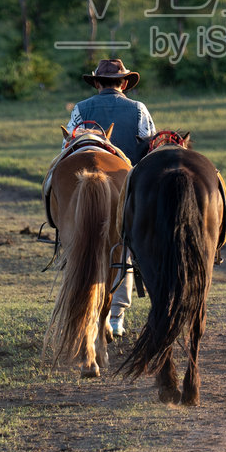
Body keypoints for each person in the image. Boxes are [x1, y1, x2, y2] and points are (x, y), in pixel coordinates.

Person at [57, 58, 156, 337]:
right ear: (124, 83)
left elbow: (68, 147)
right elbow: (150, 149)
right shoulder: (138, 109)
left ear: (97, 83)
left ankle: (56, 223)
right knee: (124, 247)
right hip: (126, 186)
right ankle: (116, 317)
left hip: (78, 185)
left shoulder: (80, 109)